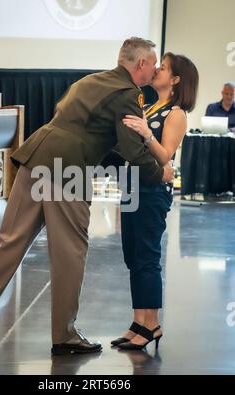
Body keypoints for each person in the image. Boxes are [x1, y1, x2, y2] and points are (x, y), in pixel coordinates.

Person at [0, 37, 174, 355]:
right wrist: (160, 174)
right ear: (140, 64)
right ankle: (64, 334)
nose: (154, 69)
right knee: (70, 252)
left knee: (11, 241)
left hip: (36, 156)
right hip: (68, 168)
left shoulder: (91, 80)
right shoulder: (128, 94)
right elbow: (131, 151)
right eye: (153, 63)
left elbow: (78, 123)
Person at [111, 52, 199, 350]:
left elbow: (166, 157)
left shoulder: (176, 113)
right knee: (132, 256)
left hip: (151, 191)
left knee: (147, 257)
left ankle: (152, 324)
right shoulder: (147, 105)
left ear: (175, 80)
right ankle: (139, 322)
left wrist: (147, 133)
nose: (157, 70)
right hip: (132, 186)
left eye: (163, 67)